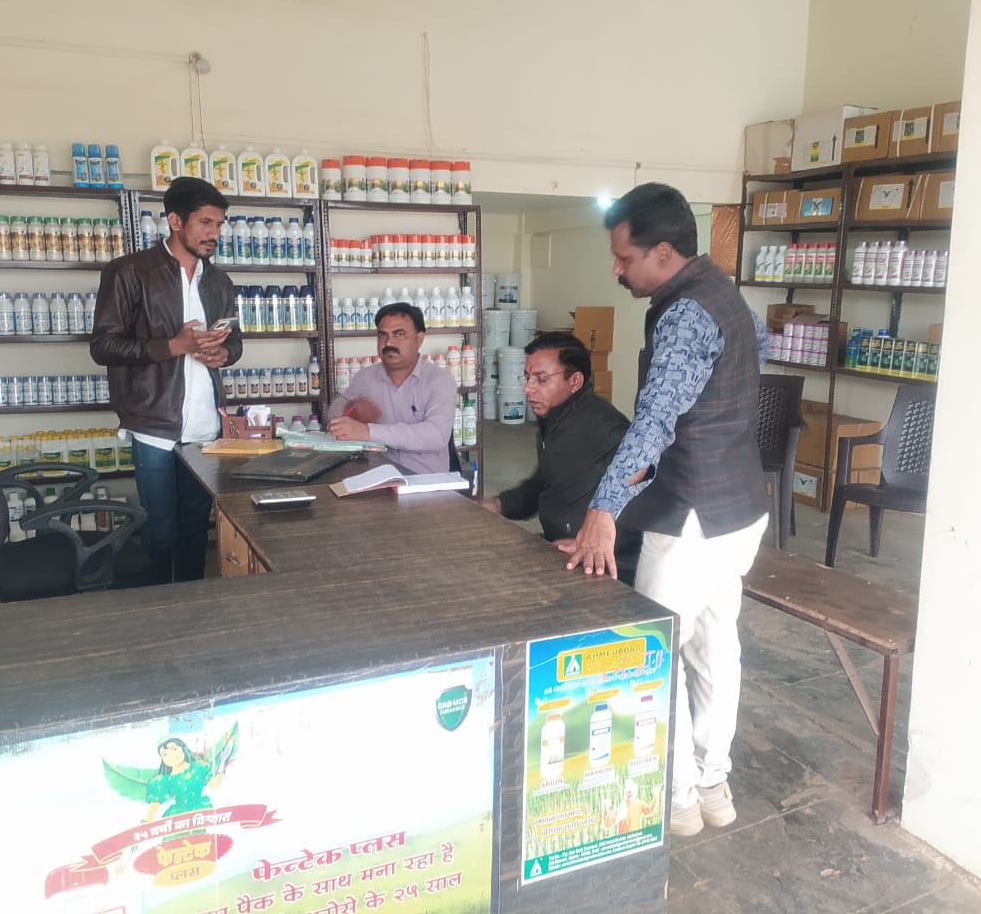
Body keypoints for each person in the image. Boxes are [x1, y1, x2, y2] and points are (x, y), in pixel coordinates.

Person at [560, 183, 770, 838]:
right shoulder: (726, 293)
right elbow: (754, 356)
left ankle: (675, 797)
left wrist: (604, 509)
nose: (616, 270)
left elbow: (653, 423)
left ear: (663, 253)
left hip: (690, 516)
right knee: (715, 647)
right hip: (740, 507)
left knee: (654, 651)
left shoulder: (683, 316)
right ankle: (713, 783)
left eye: (624, 258)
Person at [90, 177, 241, 584]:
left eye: (219, 224)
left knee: (195, 529)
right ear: (175, 221)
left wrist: (223, 354)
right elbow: (103, 346)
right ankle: (158, 609)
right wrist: (174, 346)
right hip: (152, 423)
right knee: (159, 532)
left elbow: (236, 341)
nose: (214, 233)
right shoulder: (129, 272)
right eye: (205, 222)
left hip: (205, 426)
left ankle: (191, 606)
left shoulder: (219, 282)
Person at [480, 332, 641, 582]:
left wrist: (593, 541)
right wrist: (500, 505)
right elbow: (544, 482)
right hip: (558, 546)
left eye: (541, 379)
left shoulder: (607, 428)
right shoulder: (555, 420)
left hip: (598, 563)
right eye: (527, 377)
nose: (527, 388)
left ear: (575, 381)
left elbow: (642, 496)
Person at [328, 302, 457, 475]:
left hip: (425, 482)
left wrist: (368, 432)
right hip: (376, 480)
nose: (388, 342)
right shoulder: (365, 377)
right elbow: (334, 413)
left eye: (399, 334)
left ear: (419, 339)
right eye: (382, 335)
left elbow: (437, 435)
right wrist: (350, 410)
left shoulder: (439, 380)